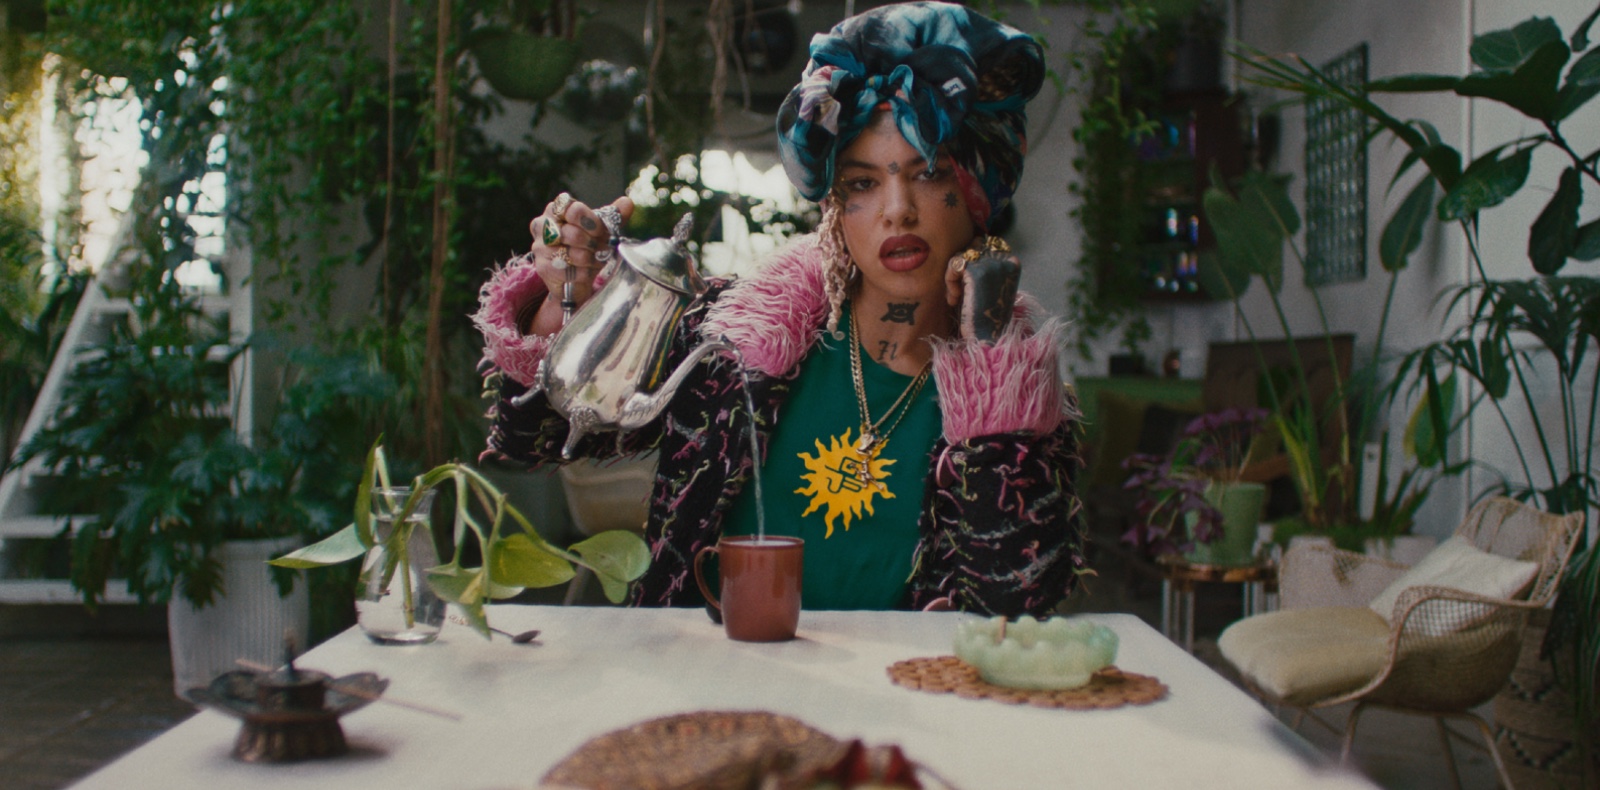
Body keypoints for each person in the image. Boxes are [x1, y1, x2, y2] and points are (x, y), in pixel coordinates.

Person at [473, 1, 1084, 617]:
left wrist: (990, 353)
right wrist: (565, 296)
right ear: (834, 207)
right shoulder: (728, 340)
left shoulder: (1021, 405)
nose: (897, 210)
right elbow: (535, 437)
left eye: (928, 174)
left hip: (902, 678)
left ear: (977, 193)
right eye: (863, 183)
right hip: (709, 670)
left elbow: (1017, 601)